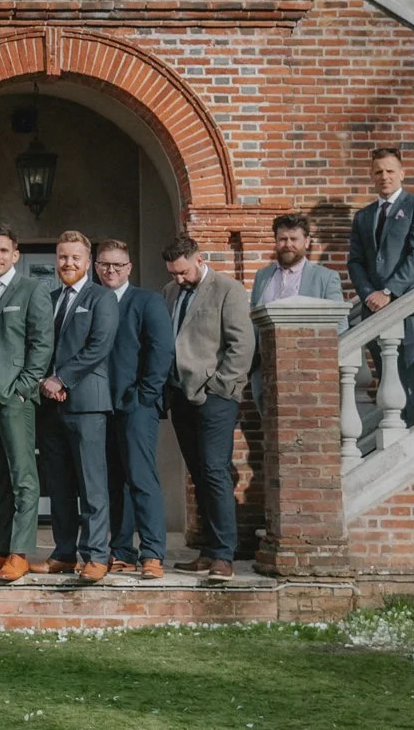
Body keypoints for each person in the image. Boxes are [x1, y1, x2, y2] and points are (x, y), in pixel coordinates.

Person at [0, 224, 53, 583]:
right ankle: (1, 548)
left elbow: (42, 344)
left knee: (22, 476)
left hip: (14, 397)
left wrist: (23, 387)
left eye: (3, 250)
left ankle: (20, 552)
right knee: (0, 474)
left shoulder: (32, 290)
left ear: (16, 254)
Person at [161, 237, 252, 582]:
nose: (178, 278)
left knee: (215, 471)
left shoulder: (228, 290)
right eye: (173, 273)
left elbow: (242, 345)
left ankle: (224, 556)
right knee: (199, 473)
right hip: (180, 395)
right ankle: (208, 551)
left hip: (215, 397)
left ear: (199, 259)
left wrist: (220, 387)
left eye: (183, 272)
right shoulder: (170, 291)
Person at [37, 230, 117, 582]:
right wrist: (44, 382)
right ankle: (64, 553)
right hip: (50, 406)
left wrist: (62, 379)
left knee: (92, 484)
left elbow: (99, 346)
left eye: (74, 257)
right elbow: (41, 347)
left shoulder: (102, 297)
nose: (67, 263)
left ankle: (97, 555)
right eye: (62, 257)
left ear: (88, 261)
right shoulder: (49, 298)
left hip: (87, 405)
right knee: (59, 485)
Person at [94, 239, 173, 579]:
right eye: (105, 264)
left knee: (141, 478)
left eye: (117, 264)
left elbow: (161, 350)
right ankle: (122, 551)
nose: (110, 270)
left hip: (137, 404)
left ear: (129, 268)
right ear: (96, 267)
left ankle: (152, 553)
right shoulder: (93, 300)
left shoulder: (147, 301)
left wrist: (145, 395)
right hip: (100, 406)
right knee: (114, 482)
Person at [347, 148, 414, 418]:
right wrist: (369, 294)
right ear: (371, 176)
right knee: (387, 376)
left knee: (412, 376)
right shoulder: (364, 216)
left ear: (402, 173)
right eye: (378, 172)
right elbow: (355, 261)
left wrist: (389, 292)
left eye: (390, 171)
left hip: (408, 306)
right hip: (374, 310)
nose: (384, 176)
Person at [247, 214, 344, 403]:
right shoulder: (262, 276)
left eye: (294, 239)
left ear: (307, 242)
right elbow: (253, 322)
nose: (288, 244)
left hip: (308, 370)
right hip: (264, 372)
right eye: (282, 239)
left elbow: (340, 325)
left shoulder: (325, 278)